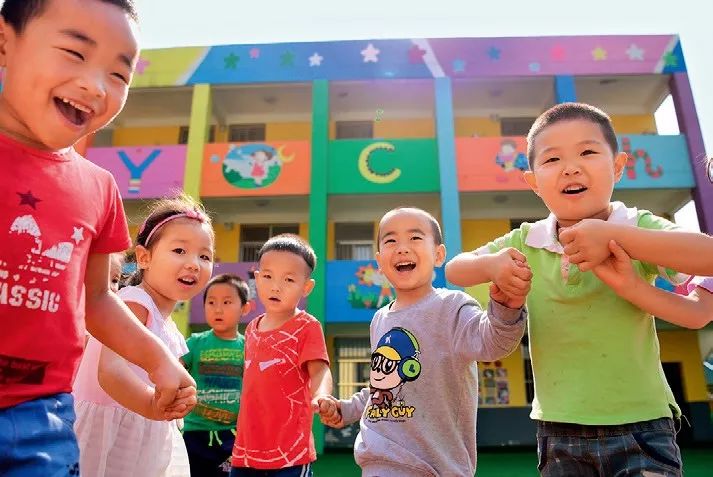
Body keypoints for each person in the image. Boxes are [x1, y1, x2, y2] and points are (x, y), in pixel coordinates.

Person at [446, 102, 713, 476]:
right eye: (552, 159)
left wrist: (616, 237)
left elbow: (707, 256)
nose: (571, 167)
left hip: (643, 423)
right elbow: (455, 269)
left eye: (587, 152)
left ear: (618, 166)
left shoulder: (636, 225)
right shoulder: (526, 240)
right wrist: (491, 265)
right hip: (558, 428)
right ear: (533, 182)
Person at [0, 1, 195, 475]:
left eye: (119, 74)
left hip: (40, 415)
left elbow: (97, 299)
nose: (96, 85)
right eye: (74, 52)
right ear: (5, 42)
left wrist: (159, 361)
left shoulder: (99, 187)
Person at [318, 207, 528, 476]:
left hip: (433, 466)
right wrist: (346, 409)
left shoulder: (452, 306)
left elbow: (494, 343)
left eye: (415, 238)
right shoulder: (380, 319)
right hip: (378, 462)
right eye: (391, 240)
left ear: (439, 255)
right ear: (379, 261)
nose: (402, 248)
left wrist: (506, 307)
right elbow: (383, 387)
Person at [73, 196, 214, 477]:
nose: (194, 264)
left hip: (143, 433)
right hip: (111, 433)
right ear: (144, 257)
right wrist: (151, 405)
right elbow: (110, 371)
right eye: (179, 250)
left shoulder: (169, 325)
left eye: (205, 256)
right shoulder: (133, 303)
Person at [230, 234, 332, 477]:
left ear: (306, 288)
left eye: (288, 279)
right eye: (267, 276)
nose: (276, 286)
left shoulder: (307, 326)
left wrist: (322, 395)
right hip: (246, 449)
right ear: (257, 278)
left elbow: (320, 370)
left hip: (290, 451)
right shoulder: (251, 328)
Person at [182, 274, 251, 476]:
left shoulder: (249, 347)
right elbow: (172, 370)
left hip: (234, 435)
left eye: (227, 302)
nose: (218, 309)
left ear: (244, 308)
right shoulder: (194, 343)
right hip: (195, 434)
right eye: (211, 302)